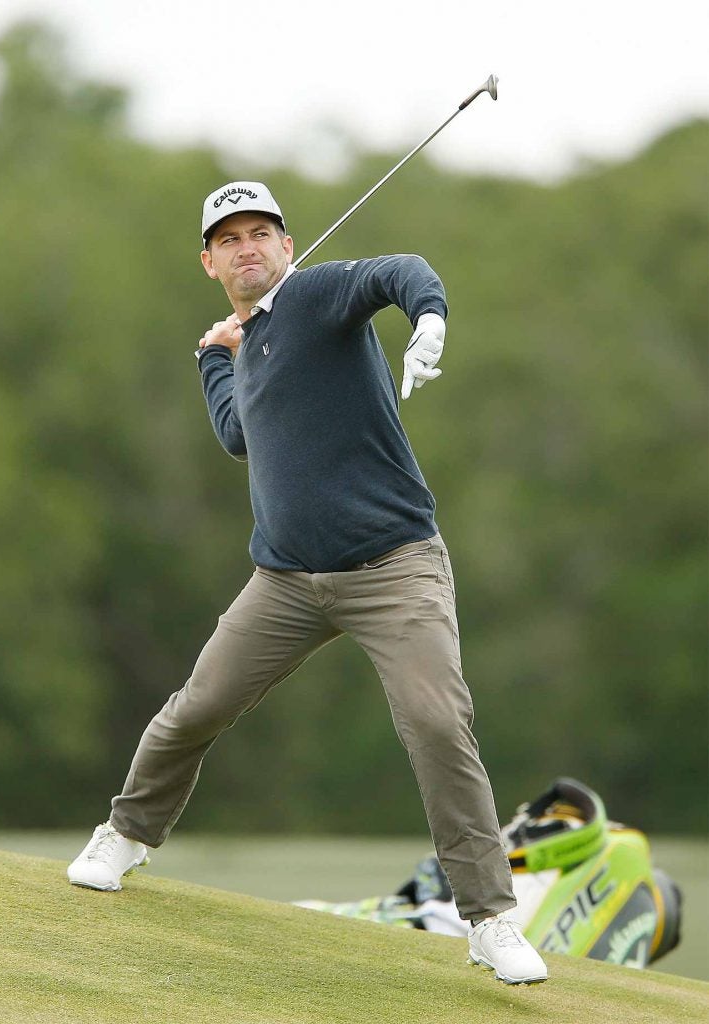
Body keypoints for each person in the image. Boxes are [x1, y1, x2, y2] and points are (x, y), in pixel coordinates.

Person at [68, 180, 548, 986]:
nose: (248, 246)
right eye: (230, 239)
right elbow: (235, 434)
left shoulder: (320, 295)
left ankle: (490, 919)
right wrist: (212, 357)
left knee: (436, 722)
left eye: (262, 232)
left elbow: (400, 269)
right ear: (210, 261)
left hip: (393, 566)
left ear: (288, 247)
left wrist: (427, 319)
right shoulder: (245, 344)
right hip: (286, 580)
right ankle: (127, 834)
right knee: (196, 708)